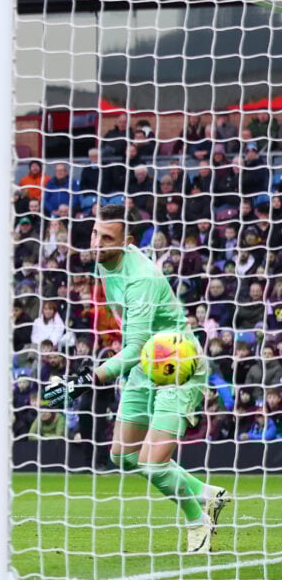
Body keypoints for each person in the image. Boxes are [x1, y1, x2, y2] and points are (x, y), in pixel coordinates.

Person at [43, 204, 231, 553]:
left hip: (178, 366)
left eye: (107, 237)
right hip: (145, 366)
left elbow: (135, 346)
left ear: (127, 241)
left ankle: (197, 521)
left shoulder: (141, 276)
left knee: (152, 463)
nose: (97, 243)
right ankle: (208, 494)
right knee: (123, 457)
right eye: (96, 233)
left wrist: (85, 379)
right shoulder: (102, 264)